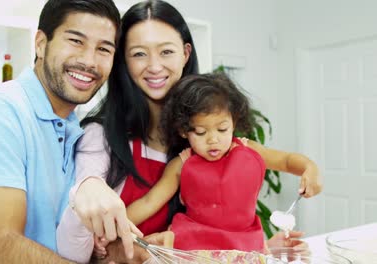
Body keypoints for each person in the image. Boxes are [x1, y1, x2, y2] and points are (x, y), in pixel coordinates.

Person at [58, 0, 321, 263]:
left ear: (185, 53)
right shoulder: (101, 137)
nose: (154, 66)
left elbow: (213, 224)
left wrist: (260, 249)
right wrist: (114, 243)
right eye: (139, 53)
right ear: (123, 60)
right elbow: (83, 243)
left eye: (166, 52)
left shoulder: (213, 144)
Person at [0, 0, 124, 262]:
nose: (89, 61)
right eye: (76, 41)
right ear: (41, 43)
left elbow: (55, 241)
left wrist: (116, 253)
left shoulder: (74, 127)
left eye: (103, 49)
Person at [125, 72, 319, 252]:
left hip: (244, 245)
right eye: (201, 132)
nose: (213, 140)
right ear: (184, 130)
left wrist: (309, 169)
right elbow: (150, 202)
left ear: (233, 122)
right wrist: (117, 226)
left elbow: (285, 161)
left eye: (222, 129)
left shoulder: (248, 150)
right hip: (193, 246)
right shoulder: (182, 164)